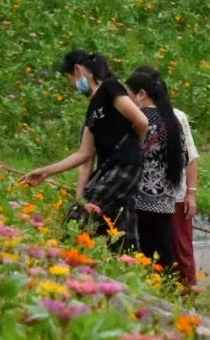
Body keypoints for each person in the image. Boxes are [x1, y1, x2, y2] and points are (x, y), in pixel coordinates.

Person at [23, 51, 149, 248]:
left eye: (70, 79)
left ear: (78, 70)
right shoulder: (93, 108)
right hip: (110, 168)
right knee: (121, 232)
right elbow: (84, 155)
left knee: (78, 219)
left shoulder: (110, 88)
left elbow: (141, 121)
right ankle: (128, 267)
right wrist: (46, 172)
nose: (73, 85)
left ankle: (64, 256)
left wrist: (133, 149)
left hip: (123, 166)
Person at [133, 65, 201, 289]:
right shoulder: (169, 117)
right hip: (168, 194)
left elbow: (191, 157)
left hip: (168, 196)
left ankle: (184, 291)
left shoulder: (173, 117)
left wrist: (191, 193)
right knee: (167, 248)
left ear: (143, 92)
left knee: (177, 248)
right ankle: (174, 293)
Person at [124, 68, 189, 271]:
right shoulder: (172, 120)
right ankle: (167, 287)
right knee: (163, 250)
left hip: (142, 197)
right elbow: (185, 157)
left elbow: (130, 153)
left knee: (142, 251)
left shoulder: (142, 119)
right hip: (166, 198)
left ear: (141, 94)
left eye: (129, 95)